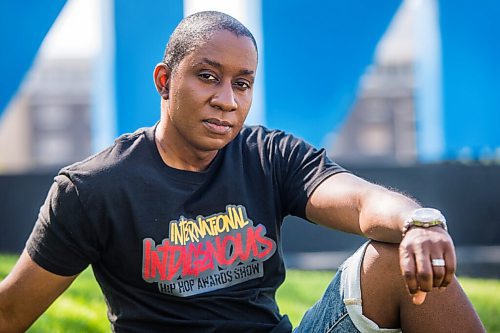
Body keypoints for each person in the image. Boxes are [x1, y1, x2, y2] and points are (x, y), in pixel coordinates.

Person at [0, 11, 485, 333]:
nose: (227, 100)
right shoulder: (93, 188)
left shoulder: (267, 155)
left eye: (243, 83)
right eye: (207, 77)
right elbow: (12, 311)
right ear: (165, 81)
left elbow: (359, 202)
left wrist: (419, 221)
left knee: (395, 260)